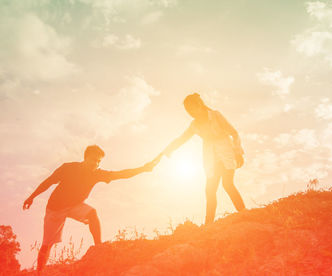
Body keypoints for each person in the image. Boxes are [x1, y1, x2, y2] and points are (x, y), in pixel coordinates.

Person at [22, 145, 160, 274]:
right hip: (56, 208)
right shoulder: (68, 168)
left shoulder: (97, 174)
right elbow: (48, 181)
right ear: (85, 157)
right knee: (47, 244)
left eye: (99, 161)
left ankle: (98, 247)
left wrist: (143, 169)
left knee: (92, 213)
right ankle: (39, 273)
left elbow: (121, 174)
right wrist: (31, 197)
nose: (96, 164)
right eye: (93, 160)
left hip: (75, 205)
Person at [161, 93, 245, 224]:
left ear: (199, 105)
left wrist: (238, 152)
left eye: (191, 109)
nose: (190, 113)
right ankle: (208, 224)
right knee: (209, 190)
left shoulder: (216, 115)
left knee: (227, 184)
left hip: (226, 152)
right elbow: (182, 138)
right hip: (210, 157)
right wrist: (170, 149)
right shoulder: (194, 125)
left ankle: (244, 213)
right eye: (187, 111)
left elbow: (234, 133)